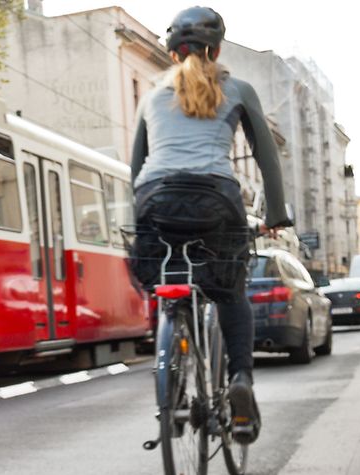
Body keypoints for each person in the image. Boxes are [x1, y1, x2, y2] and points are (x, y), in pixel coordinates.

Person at [130, 6, 291, 446]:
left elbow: (136, 166)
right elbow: (266, 157)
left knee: (168, 281)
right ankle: (240, 377)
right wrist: (276, 213)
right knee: (228, 291)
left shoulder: (150, 96)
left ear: (171, 53)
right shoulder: (237, 88)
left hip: (155, 201)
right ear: (216, 49)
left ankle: (172, 372)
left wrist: (141, 214)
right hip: (216, 201)